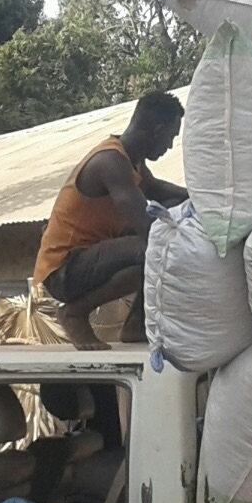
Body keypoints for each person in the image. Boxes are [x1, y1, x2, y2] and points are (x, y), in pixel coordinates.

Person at [33, 92, 188, 350]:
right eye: (170, 137)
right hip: (64, 270)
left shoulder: (131, 161)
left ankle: (137, 324)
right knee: (156, 246)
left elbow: (157, 190)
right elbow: (148, 230)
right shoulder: (110, 162)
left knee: (171, 217)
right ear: (157, 130)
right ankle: (74, 313)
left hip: (88, 260)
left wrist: (198, 199)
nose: (170, 146)